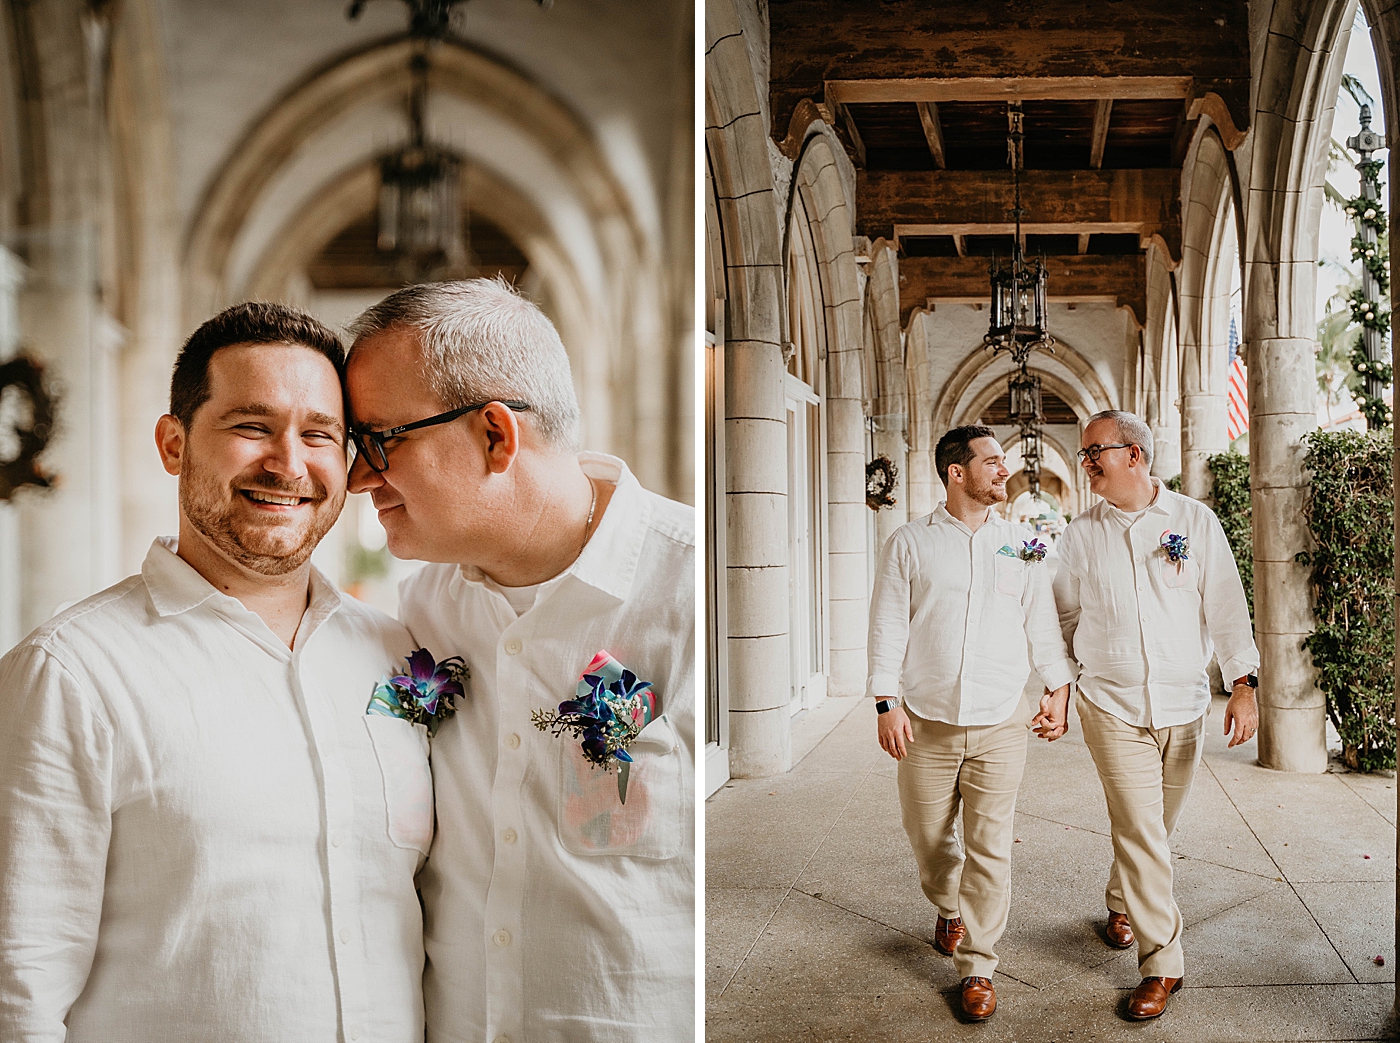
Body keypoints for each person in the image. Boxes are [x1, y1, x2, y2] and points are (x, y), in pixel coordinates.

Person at [0, 303, 430, 1042]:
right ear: (174, 443)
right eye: (251, 426)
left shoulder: (395, 653)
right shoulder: (69, 675)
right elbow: (18, 985)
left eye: (319, 434)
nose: (289, 463)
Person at [344, 278, 694, 1043]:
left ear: (496, 436)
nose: (357, 477)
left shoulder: (690, 587)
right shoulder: (422, 612)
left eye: (379, 440)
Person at [1052, 409, 1259, 1020]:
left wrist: (1242, 685)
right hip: (1110, 704)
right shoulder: (1079, 534)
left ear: (1136, 456)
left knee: (1155, 827)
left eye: (1097, 452)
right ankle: (1161, 963)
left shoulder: (1196, 523)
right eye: (1084, 453)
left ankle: (1121, 899)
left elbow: (1226, 608)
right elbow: (1061, 617)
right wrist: (1061, 686)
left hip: (1184, 703)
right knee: (1142, 830)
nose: (1086, 462)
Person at [867, 424, 1075, 1023]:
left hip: (1001, 720)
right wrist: (887, 703)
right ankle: (947, 902)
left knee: (991, 847)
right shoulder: (909, 543)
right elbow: (887, 626)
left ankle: (979, 965)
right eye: (991, 462)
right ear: (957, 472)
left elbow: (1041, 623)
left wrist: (1057, 688)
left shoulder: (1022, 544)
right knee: (928, 837)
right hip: (925, 722)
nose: (1002, 471)